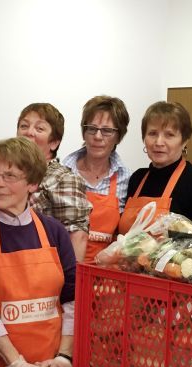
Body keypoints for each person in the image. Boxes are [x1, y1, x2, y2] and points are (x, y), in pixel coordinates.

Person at [0, 137, 76, 367]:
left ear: (32, 183)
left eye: (10, 176)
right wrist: (16, 363)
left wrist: (64, 356)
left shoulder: (54, 231)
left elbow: (72, 299)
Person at [119, 101, 192, 233]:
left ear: (184, 141)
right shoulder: (137, 178)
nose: (158, 142)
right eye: (152, 133)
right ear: (143, 138)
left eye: (169, 135)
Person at [16, 103, 91, 262]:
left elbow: (77, 237)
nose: (29, 132)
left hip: (46, 271)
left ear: (54, 143)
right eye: (24, 126)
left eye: (39, 128)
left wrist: (70, 284)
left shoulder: (63, 178)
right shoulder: (11, 175)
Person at [62, 96, 131, 263]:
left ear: (118, 136)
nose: (98, 136)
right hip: (64, 267)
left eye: (107, 131)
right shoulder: (63, 173)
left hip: (106, 276)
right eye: (91, 128)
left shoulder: (126, 178)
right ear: (84, 132)